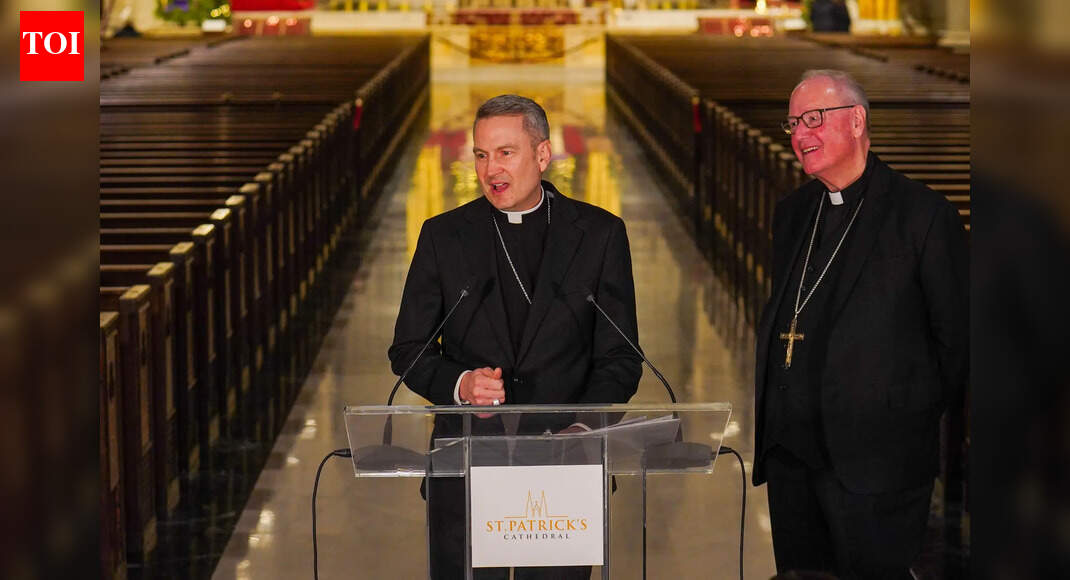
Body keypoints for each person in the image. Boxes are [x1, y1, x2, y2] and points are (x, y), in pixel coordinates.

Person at [388, 94, 642, 579]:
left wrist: (585, 427)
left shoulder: (600, 234)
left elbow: (620, 358)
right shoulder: (444, 236)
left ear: (542, 155)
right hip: (465, 465)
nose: (490, 170)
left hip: (563, 472)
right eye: (481, 155)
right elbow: (409, 349)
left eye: (506, 152)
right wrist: (460, 384)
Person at [753, 70, 968, 579]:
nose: (800, 136)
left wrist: (903, 419)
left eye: (813, 120)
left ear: (856, 121)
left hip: (875, 468)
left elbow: (957, 344)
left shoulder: (923, 216)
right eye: (793, 124)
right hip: (791, 459)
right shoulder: (793, 213)